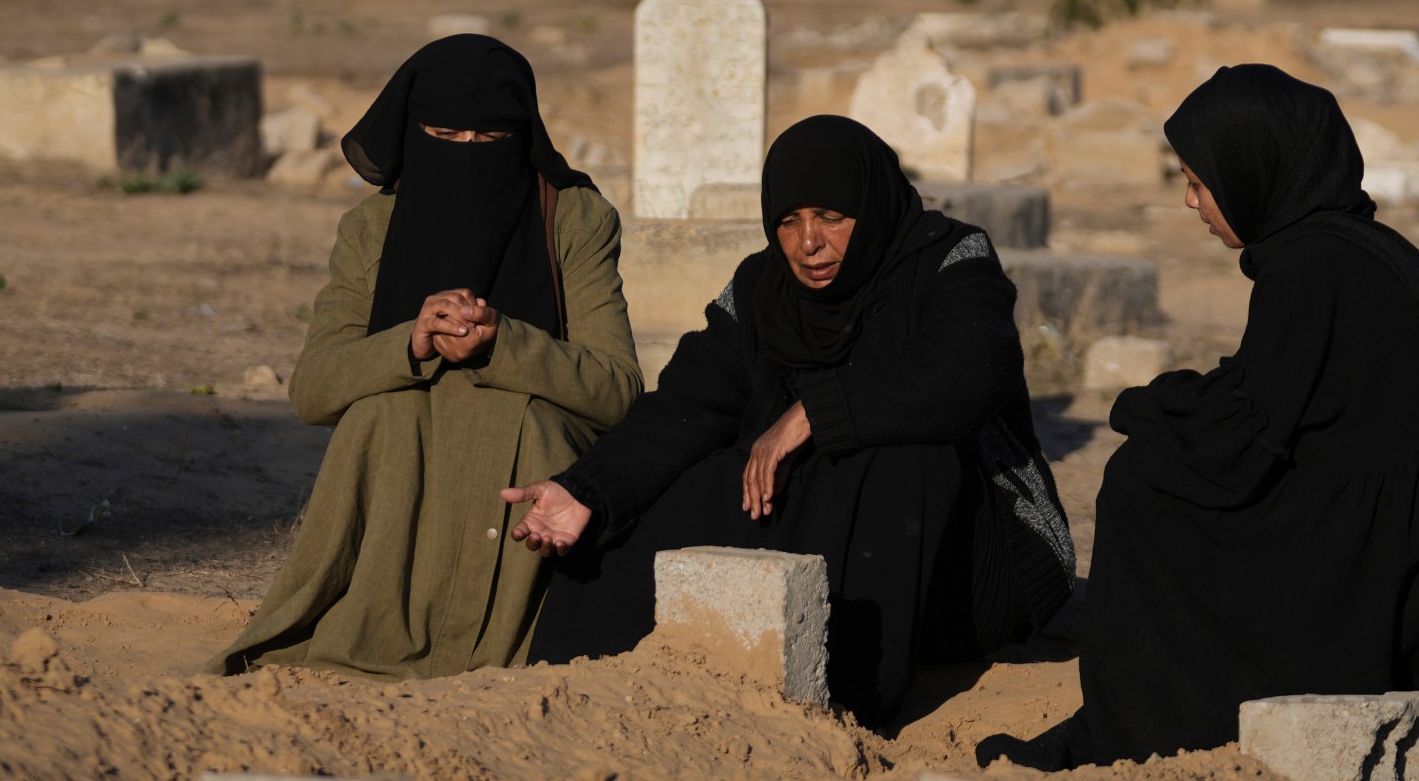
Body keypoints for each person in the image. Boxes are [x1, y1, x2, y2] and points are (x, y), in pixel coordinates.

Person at [986, 64, 1419, 768]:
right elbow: (1277, 401)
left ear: (1255, 171)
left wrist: (1147, 411)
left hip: (1394, 567)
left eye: (1200, 182)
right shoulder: (1358, 248)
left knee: (1144, 485)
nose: (1190, 202)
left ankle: (1145, 722)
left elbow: (1235, 447)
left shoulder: (1312, 270)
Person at [506, 115, 1074, 722]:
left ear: (872, 204)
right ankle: (586, 687)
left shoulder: (949, 258)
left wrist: (815, 412)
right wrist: (589, 489)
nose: (809, 243)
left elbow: (971, 373)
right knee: (670, 493)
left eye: (832, 217)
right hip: (824, 544)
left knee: (907, 452)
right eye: (788, 221)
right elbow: (686, 407)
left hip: (972, 569)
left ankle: (847, 705)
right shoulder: (760, 287)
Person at [207, 35, 641, 680]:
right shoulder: (370, 228)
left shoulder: (574, 218)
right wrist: (409, 341)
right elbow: (314, 389)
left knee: (524, 430)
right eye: (444, 134)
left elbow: (618, 389)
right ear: (412, 134)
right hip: (404, 449)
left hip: (527, 453)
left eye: (490, 141)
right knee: (381, 419)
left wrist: (505, 341)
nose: (466, 156)